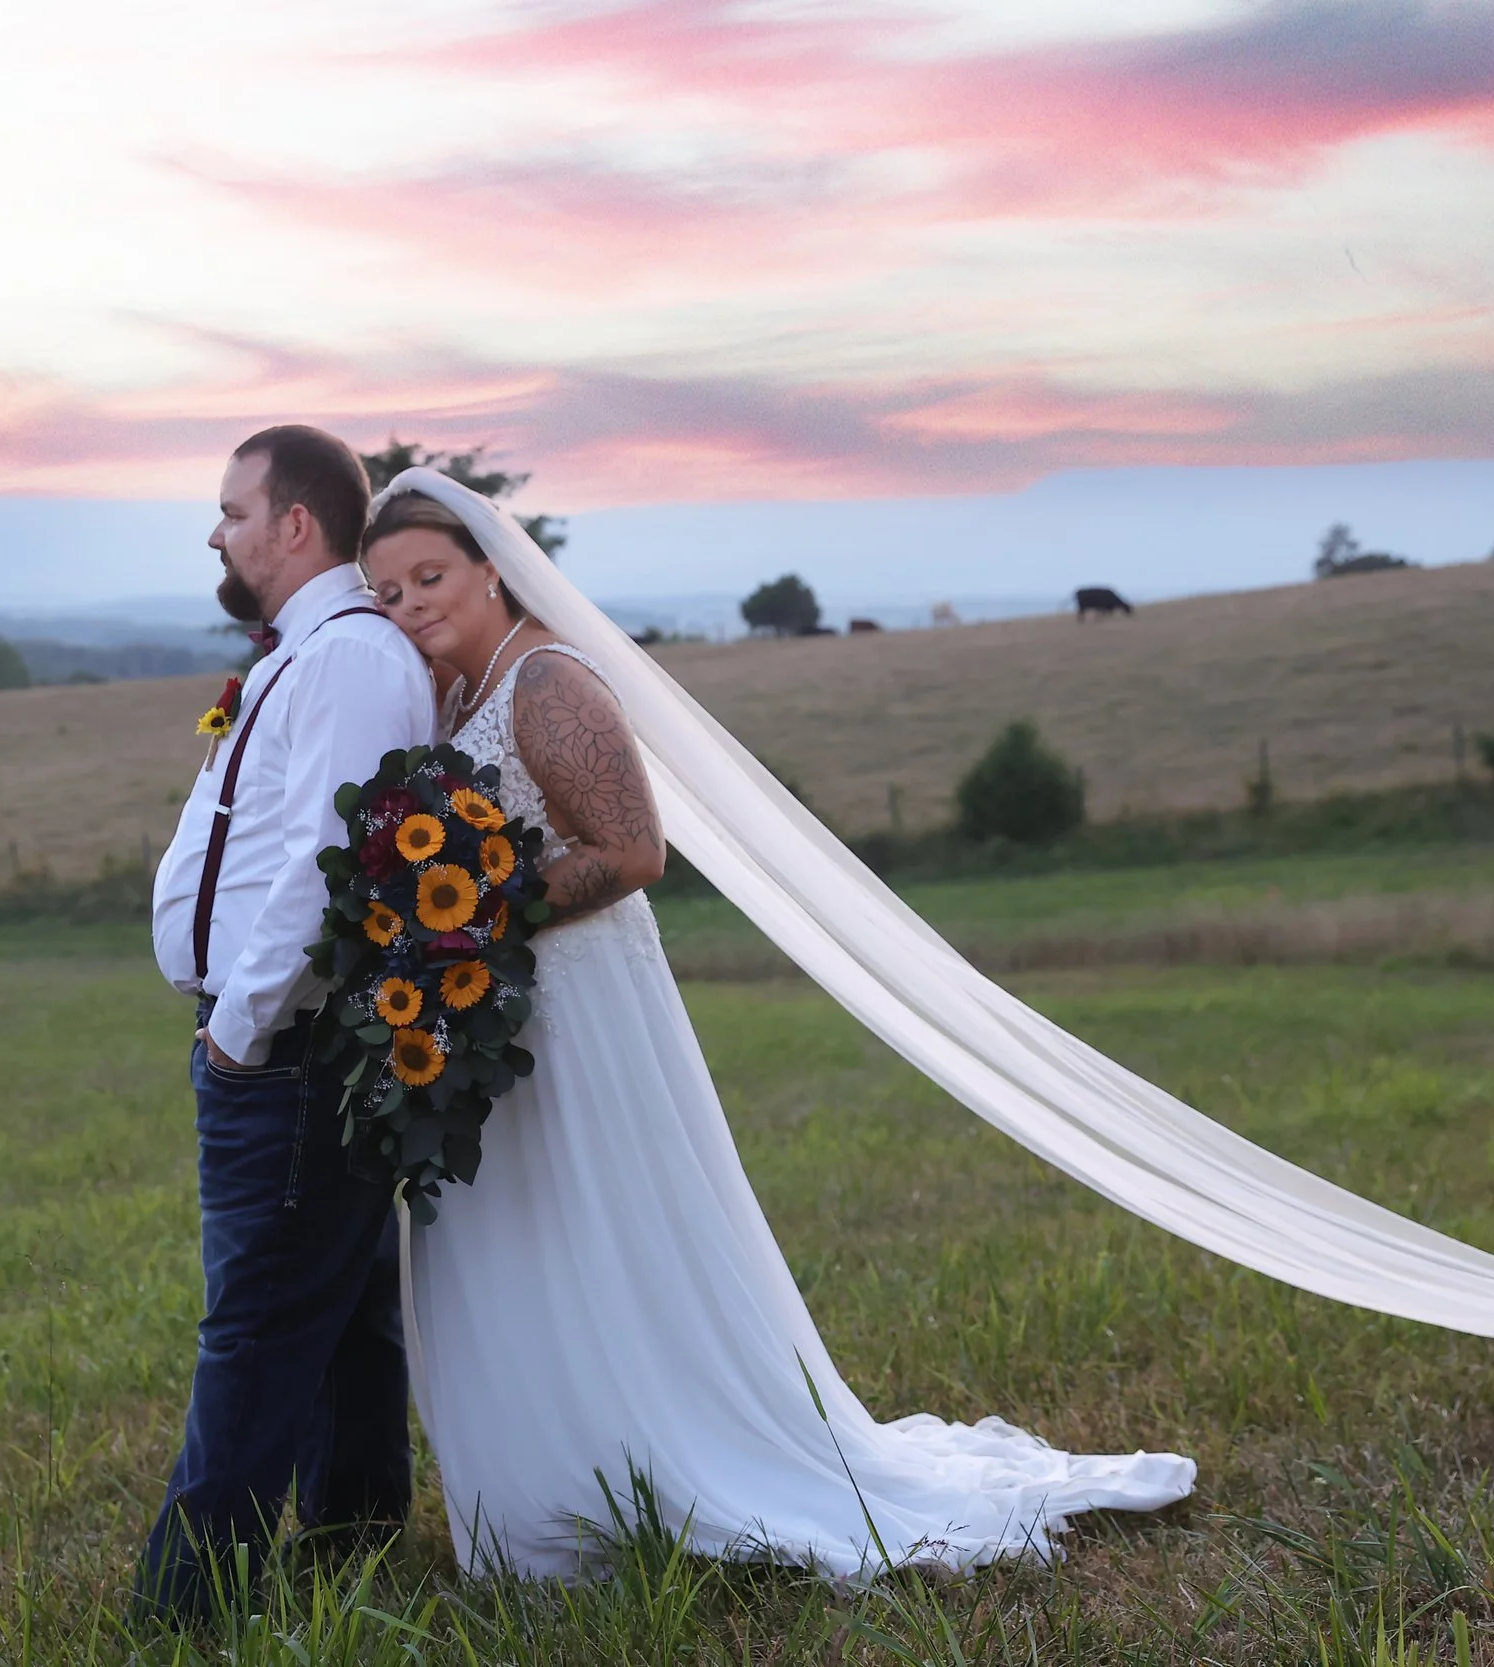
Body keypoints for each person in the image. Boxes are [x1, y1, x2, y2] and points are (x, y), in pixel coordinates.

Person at [360, 480, 1197, 1580]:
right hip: (491, 1010)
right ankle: (553, 1492)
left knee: (595, 1230)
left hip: (575, 1007)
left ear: (489, 568)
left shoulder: (547, 678)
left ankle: (652, 1468)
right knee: (514, 1240)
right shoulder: (452, 687)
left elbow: (633, 851)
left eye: (429, 576)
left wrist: (471, 914)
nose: (411, 601)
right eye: (388, 591)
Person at [136, 426, 437, 1622]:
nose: (216, 531)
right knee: (345, 1309)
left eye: (231, 509)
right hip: (289, 1044)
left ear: (295, 522)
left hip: (288, 1049)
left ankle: (185, 1605)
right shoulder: (301, 656)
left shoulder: (351, 659)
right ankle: (353, 1538)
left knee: (253, 1324)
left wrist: (242, 1028)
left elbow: (331, 861)